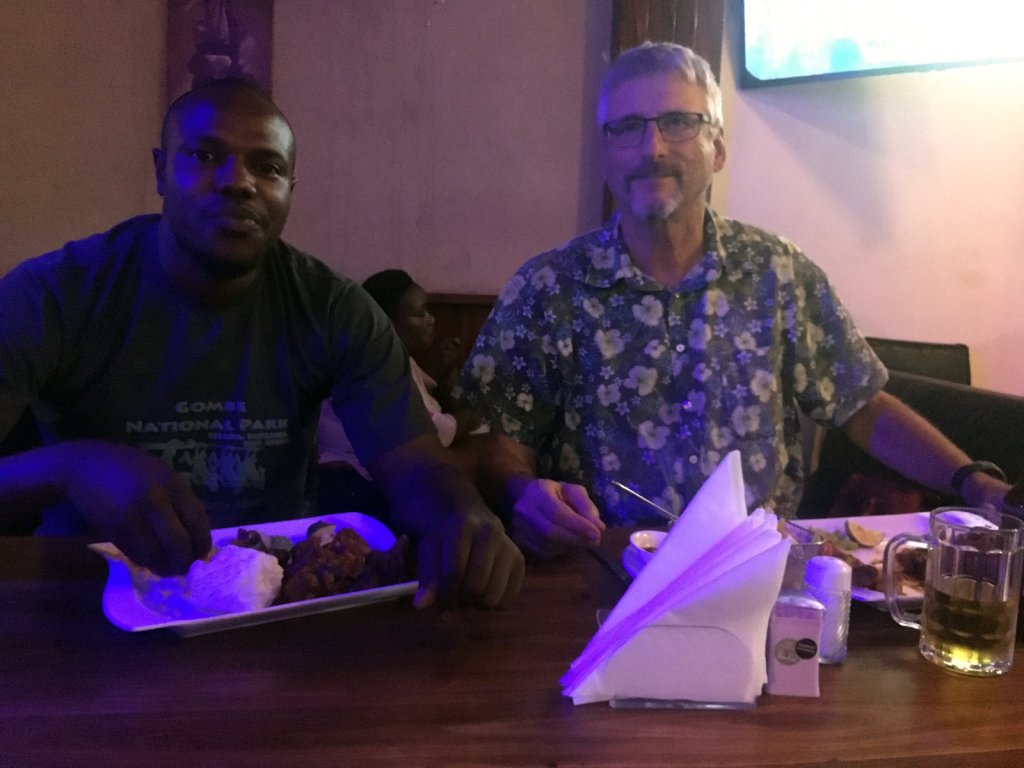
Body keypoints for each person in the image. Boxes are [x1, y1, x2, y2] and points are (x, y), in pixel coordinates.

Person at [459, 41, 1011, 558]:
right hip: (604, 574)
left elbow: (863, 406)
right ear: (606, 155)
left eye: (679, 122)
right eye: (627, 128)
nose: (653, 148)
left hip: (758, 571)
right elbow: (499, 443)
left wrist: (974, 483)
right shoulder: (547, 287)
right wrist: (520, 493)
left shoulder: (778, 272)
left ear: (718, 148)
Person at [0, 77, 522, 609]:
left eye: (268, 167)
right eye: (205, 155)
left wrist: (462, 514)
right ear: (160, 170)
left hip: (272, 602)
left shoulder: (332, 308)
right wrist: (69, 469)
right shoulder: (53, 295)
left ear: (290, 188)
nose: (237, 182)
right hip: (80, 598)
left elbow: (415, 465)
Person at [315, 269, 483, 516]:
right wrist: (472, 417)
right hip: (353, 484)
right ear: (386, 322)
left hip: (377, 477)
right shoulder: (367, 363)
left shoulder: (404, 360)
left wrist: (445, 375)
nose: (432, 320)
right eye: (421, 313)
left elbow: (432, 402)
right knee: (483, 460)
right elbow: (431, 432)